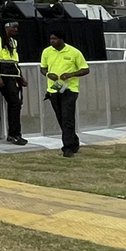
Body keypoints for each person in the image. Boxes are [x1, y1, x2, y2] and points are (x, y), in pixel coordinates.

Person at [40, 29, 90, 157]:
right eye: (51, 39)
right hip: (54, 89)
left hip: (69, 89)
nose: (52, 41)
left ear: (62, 39)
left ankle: (67, 148)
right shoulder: (46, 52)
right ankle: (74, 142)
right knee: (61, 118)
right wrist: (47, 73)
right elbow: (43, 67)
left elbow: (85, 69)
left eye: (55, 39)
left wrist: (71, 74)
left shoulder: (73, 52)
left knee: (67, 118)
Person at [0, 21, 28, 145]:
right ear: (7, 27)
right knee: (14, 103)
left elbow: (15, 61)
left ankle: (15, 133)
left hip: (13, 75)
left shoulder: (14, 42)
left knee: (16, 104)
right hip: (4, 75)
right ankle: (14, 134)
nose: (16, 29)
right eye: (14, 27)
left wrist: (21, 77)